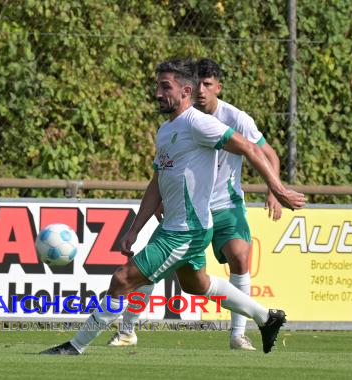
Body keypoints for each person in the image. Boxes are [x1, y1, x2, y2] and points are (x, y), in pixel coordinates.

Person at [40, 58, 305, 356]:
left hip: (186, 231)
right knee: (197, 284)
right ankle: (266, 318)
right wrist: (134, 229)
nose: (157, 93)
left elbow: (250, 148)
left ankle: (74, 347)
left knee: (122, 279)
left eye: (165, 86)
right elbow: (157, 181)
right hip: (174, 227)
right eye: (157, 86)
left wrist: (278, 188)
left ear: (185, 91)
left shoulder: (199, 123)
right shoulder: (166, 130)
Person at [107, 58, 282, 351]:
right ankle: (127, 330)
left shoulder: (235, 118)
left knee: (239, 256)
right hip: (187, 210)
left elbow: (265, 153)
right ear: (188, 88)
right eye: (197, 83)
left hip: (225, 204)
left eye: (207, 85)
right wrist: (165, 196)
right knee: (167, 274)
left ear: (217, 88)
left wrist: (275, 190)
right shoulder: (177, 121)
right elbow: (165, 170)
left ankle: (238, 334)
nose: (201, 90)